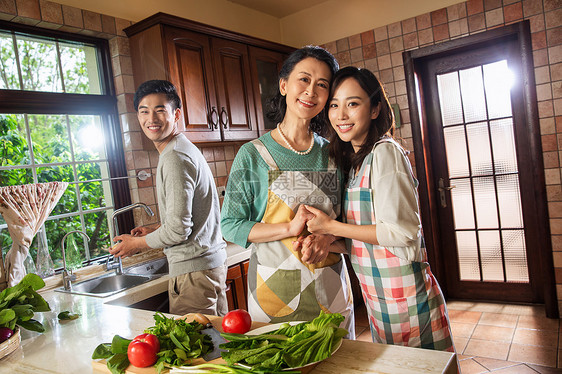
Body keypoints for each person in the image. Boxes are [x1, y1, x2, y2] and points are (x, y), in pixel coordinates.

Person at [303, 66, 454, 351]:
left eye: (353, 104)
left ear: (374, 109)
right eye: (334, 105)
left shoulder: (385, 153)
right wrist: (327, 242)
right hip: (381, 302)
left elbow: (401, 234)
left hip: (408, 302)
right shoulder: (358, 160)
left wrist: (330, 227)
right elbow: (371, 241)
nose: (341, 115)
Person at [220, 46, 355, 336]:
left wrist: (327, 237)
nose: (311, 91)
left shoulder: (335, 153)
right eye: (303, 80)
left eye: (322, 85)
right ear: (283, 85)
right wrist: (289, 228)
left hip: (331, 292)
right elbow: (230, 226)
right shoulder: (253, 155)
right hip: (275, 297)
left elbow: (351, 227)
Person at [110, 80, 228, 317]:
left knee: (197, 352)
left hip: (193, 273)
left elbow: (177, 231)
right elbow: (190, 219)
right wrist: (156, 229)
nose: (151, 118)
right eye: (144, 111)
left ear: (176, 115)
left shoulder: (174, 157)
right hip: (206, 267)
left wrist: (135, 245)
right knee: (219, 346)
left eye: (160, 110)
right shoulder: (181, 148)